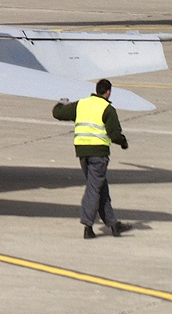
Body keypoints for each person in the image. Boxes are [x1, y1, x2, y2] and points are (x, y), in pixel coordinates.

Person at [53, 79, 133, 239]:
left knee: (100, 187)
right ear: (108, 92)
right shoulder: (107, 109)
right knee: (94, 189)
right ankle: (87, 226)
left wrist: (60, 104)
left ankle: (113, 225)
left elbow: (58, 114)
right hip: (98, 154)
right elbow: (114, 134)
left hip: (82, 153)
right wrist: (124, 143)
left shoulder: (81, 104)